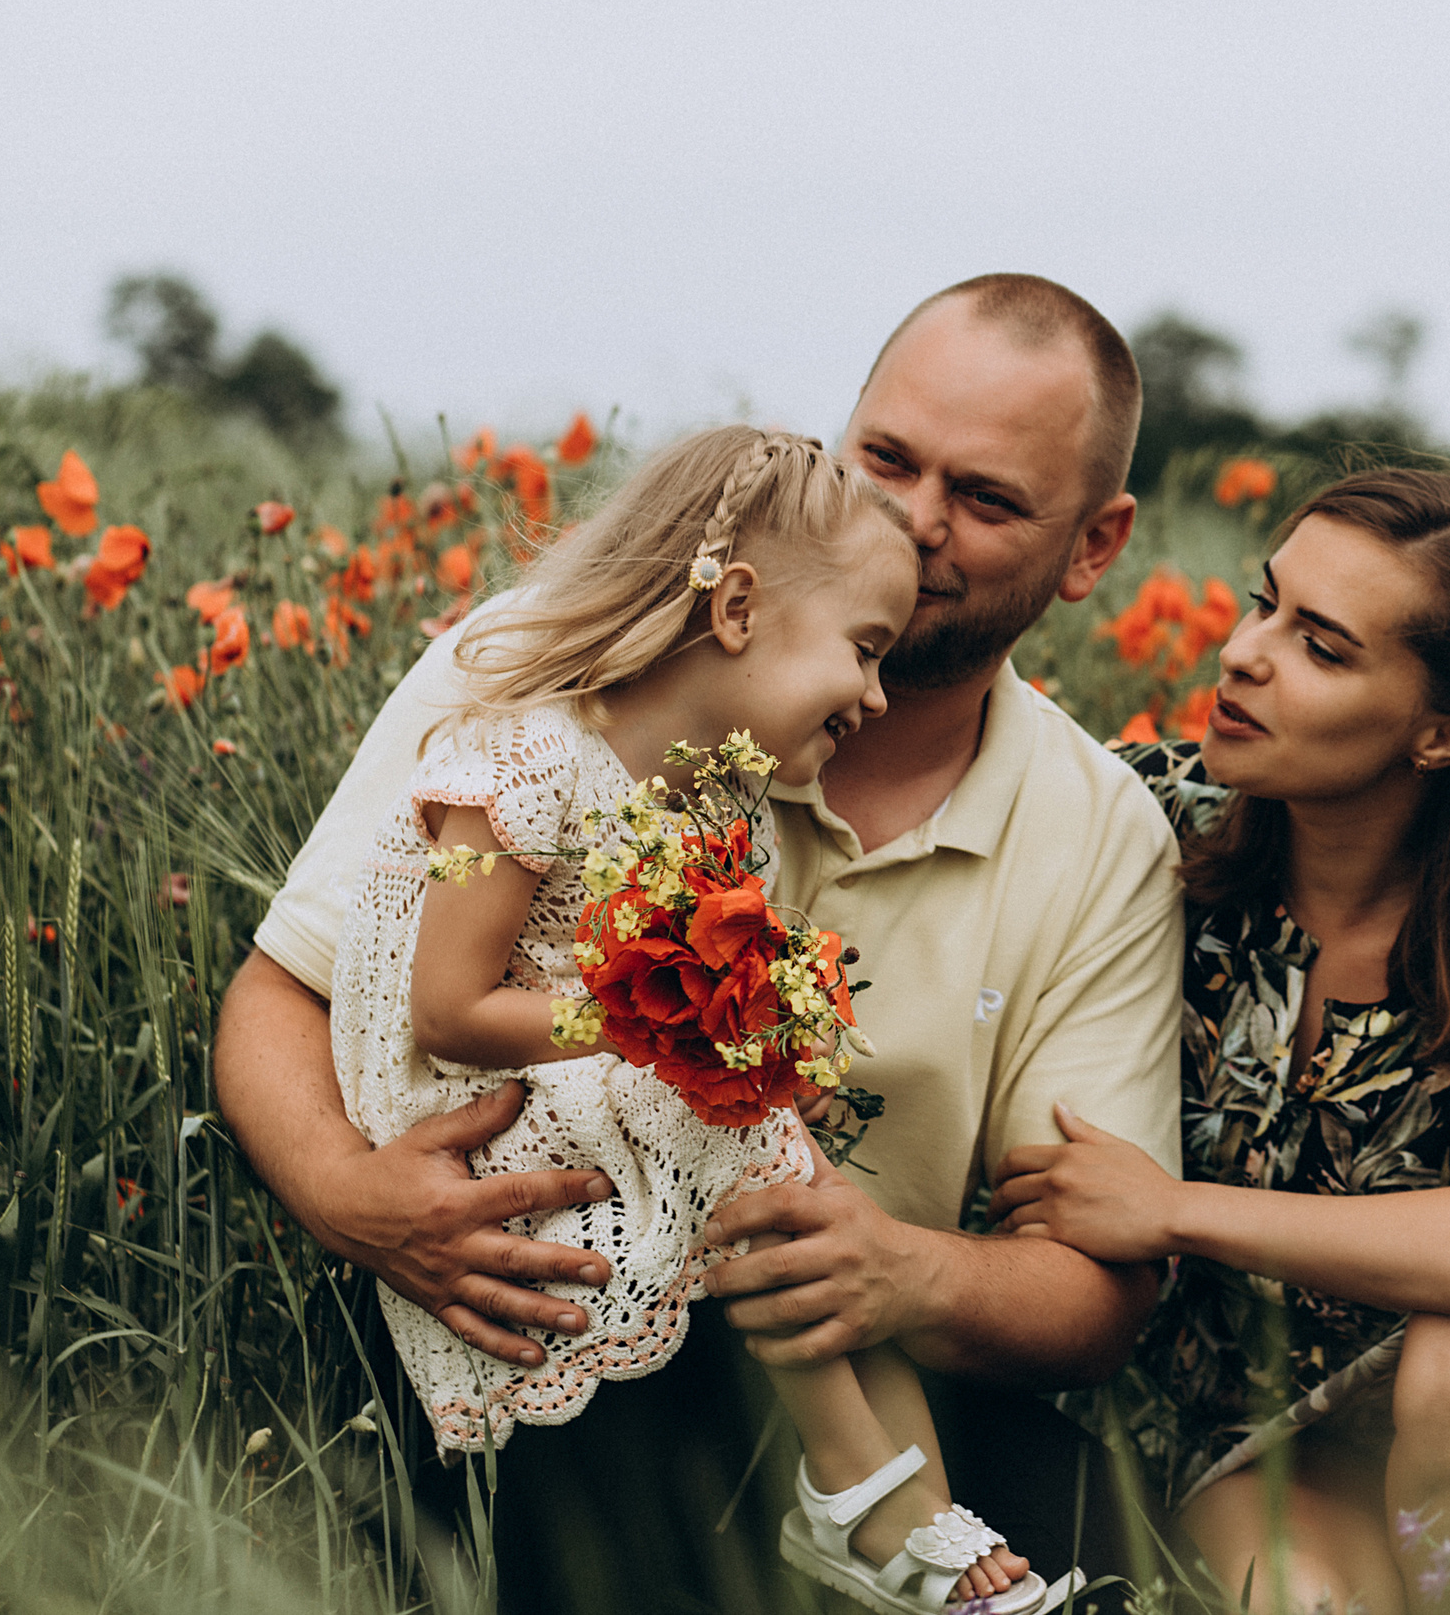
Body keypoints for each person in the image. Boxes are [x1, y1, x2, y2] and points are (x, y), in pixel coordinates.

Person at [213, 275, 1184, 1607]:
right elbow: (287, 983)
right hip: (542, 1294)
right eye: (887, 457)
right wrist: (348, 1193)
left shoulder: (1100, 829)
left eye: (991, 496)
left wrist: (896, 1268)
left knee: (1134, 1563)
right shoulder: (539, 672)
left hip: (859, 1350)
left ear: (1096, 544)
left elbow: (1098, 1289)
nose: (916, 517)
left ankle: (885, 1519)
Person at [332, 424, 1067, 1609]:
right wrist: (652, 1030)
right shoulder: (520, 756)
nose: (878, 696)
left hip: (594, 1083)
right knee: (713, 1097)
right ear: (734, 611)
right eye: (866, 651)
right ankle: (856, 1497)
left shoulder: (720, 800)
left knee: (804, 1170)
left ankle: (906, 1496)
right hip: (479, 1104)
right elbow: (449, 1008)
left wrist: (772, 1033)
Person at [993, 467, 1450, 1615]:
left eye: (1321, 647)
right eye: (1263, 603)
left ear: (1447, 732)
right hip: (1258, 1442)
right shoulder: (1147, 825)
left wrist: (1172, 1209)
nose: (1242, 654)